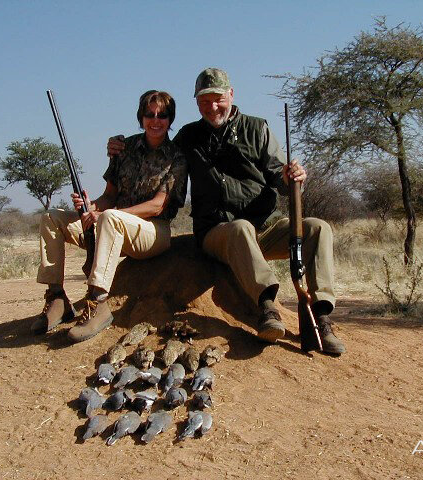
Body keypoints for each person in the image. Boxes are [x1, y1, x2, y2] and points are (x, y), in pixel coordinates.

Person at [108, 69, 345, 355]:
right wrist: (121, 145)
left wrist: (292, 176)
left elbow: (279, 178)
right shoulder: (188, 136)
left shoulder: (257, 129)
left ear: (231, 95)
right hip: (218, 232)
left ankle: (322, 316)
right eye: (204, 101)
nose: (212, 107)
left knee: (318, 227)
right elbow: (156, 143)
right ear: (197, 104)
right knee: (240, 228)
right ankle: (267, 307)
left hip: (265, 229)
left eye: (218, 99)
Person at [32, 90, 187, 342]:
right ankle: (57, 298)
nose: (156, 120)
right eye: (150, 114)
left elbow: (157, 206)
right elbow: (109, 196)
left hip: (152, 232)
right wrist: (91, 207)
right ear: (141, 116)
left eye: (163, 115)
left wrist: (108, 214)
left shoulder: (177, 157)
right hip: (111, 226)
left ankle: (98, 303)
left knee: (109, 218)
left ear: (170, 119)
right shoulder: (123, 149)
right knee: (52, 217)